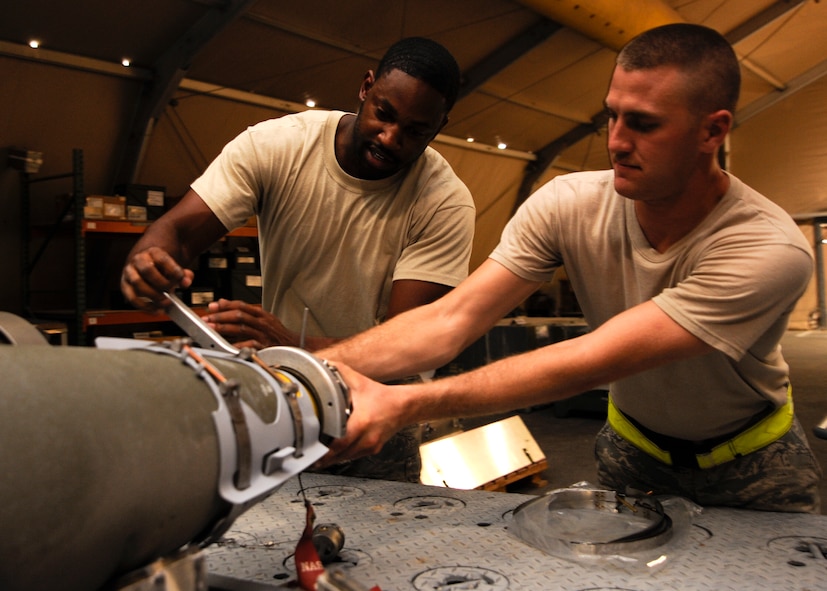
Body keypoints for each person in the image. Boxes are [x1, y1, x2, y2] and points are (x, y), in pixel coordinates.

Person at [317, 23, 822, 513]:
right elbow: (451, 320)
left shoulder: (767, 248)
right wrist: (309, 371)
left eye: (644, 123)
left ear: (713, 130)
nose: (618, 142)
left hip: (751, 466)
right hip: (633, 453)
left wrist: (406, 404)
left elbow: (595, 359)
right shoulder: (567, 203)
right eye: (612, 116)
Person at [120, 37, 476, 482]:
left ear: (439, 126)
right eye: (384, 114)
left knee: (383, 537)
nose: (391, 137)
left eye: (415, 130)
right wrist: (148, 261)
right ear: (366, 88)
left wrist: (292, 345)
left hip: (377, 411)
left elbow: (405, 346)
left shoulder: (444, 202)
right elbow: (178, 232)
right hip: (285, 394)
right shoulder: (278, 147)